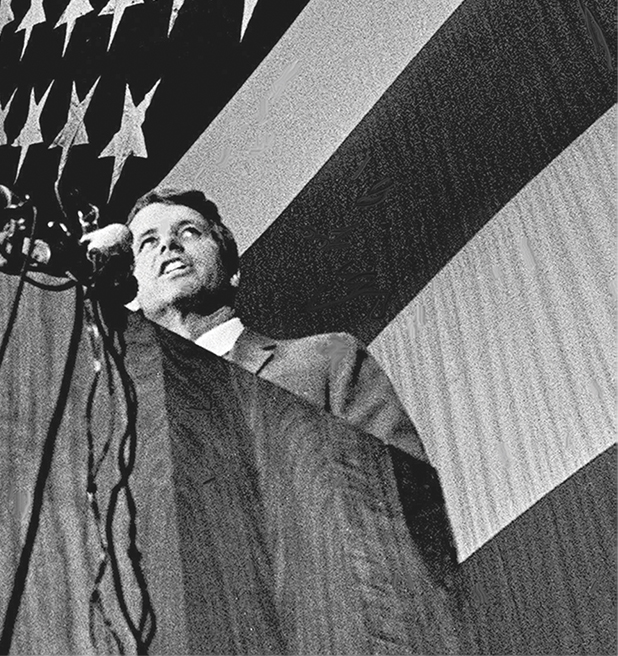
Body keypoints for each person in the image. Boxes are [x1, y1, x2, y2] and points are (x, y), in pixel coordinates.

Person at [127, 187, 429, 462]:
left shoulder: (329, 356)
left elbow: (404, 487)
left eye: (189, 232)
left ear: (233, 271)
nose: (168, 243)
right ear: (133, 291)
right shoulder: (131, 427)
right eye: (148, 242)